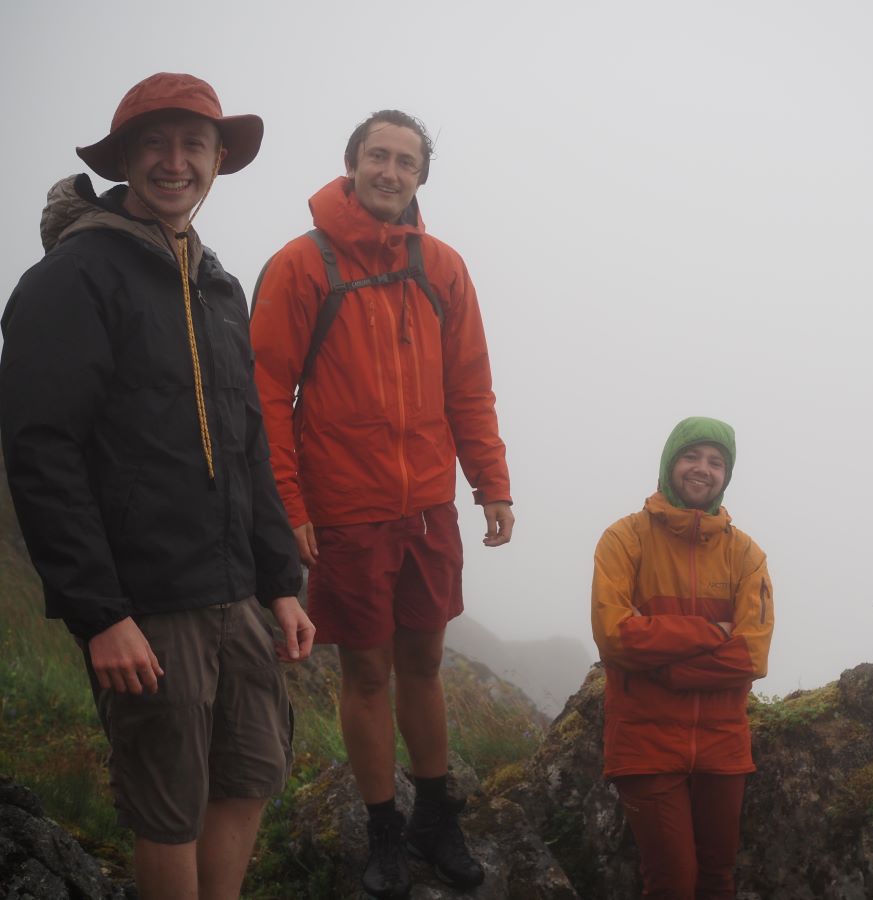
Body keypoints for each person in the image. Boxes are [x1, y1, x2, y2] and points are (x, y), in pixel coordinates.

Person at [0, 73, 313, 900]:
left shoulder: (217, 285)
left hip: (235, 591)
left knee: (249, 772)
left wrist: (280, 584)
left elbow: (248, 445)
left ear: (217, 161)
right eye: (156, 145)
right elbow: (41, 452)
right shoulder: (75, 277)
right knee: (166, 802)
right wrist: (100, 614)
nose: (176, 163)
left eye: (194, 146)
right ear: (127, 160)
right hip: (144, 603)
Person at [250, 109, 513, 896]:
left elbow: (469, 385)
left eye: (405, 161)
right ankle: (384, 830)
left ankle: (436, 815)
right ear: (352, 164)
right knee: (366, 674)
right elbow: (265, 394)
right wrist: (287, 502)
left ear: (421, 178)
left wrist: (490, 481)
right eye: (377, 156)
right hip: (347, 510)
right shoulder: (302, 267)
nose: (389, 171)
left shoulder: (444, 269)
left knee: (425, 662)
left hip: (429, 505)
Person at [590, 416, 774, 899]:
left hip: (722, 744)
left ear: (726, 476)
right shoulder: (624, 539)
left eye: (716, 462)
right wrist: (711, 631)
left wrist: (666, 669)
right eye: (692, 456)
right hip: (644, 740)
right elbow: (614, 637)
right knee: (672, 881)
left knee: (718, 880)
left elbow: (750, 655)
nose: (703, 469)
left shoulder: (746, 555)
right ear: (670, 462)